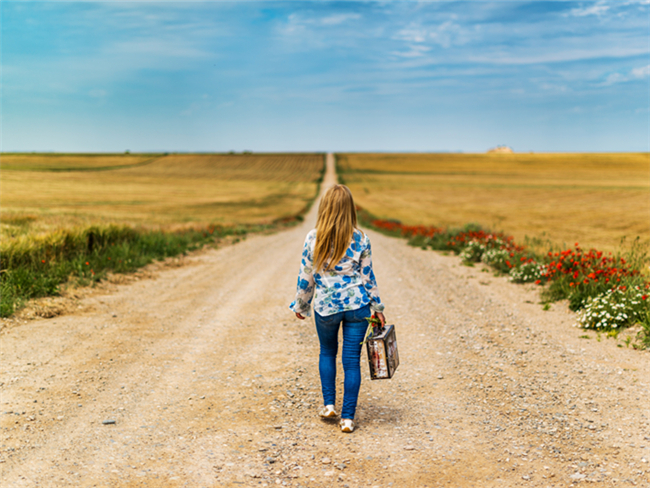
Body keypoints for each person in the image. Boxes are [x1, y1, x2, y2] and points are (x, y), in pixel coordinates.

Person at [290, 184, 386, 433]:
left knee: (327, 353)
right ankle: (347, 418)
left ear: (325, 208)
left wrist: (302, 304)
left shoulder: (314, 237)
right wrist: (377, 306)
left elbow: (306, 276)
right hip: (358, 306)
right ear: (349, 209)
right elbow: (368, 277)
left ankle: (330, 404)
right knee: (352, 362)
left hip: (326, 308)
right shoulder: (361, 238)